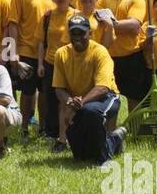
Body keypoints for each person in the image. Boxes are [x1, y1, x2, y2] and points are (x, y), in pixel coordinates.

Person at [52, 15, 125, 162]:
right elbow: (59, 88)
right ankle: (115, 140)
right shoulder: (61, 53)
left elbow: (102, 88)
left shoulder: (100, 52)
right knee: (81, 155)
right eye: (74, 33)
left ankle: (105, 160)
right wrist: (70, 102)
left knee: (90, 111)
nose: (77, 37)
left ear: (90, 34)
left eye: (81, 33)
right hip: (79, 102)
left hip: (107, 97)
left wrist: (80, 104)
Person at [5, 0, 53, 132]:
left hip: (48, 51)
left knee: (45, 93)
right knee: (27, 92)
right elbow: (13, 24)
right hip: (26, 51)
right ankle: (24, 127)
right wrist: (13, 51)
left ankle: (43, 127)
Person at [94, 0, 148, 109]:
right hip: (108, 55)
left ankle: (133, 129)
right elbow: (98, 22)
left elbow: (134, 26)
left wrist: (110, 25)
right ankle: (110, 130)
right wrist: (118, 25)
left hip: (132, 55)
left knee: (134, 97)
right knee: (108, 95)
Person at [38, 0, 78, 144]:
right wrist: (40, 64)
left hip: (70, 64)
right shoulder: (48, 16)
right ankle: (51, 132)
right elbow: (41, 41)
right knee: (51, 99)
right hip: (51, 62)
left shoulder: (77, 15)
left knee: (68, 99)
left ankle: (71, 131)